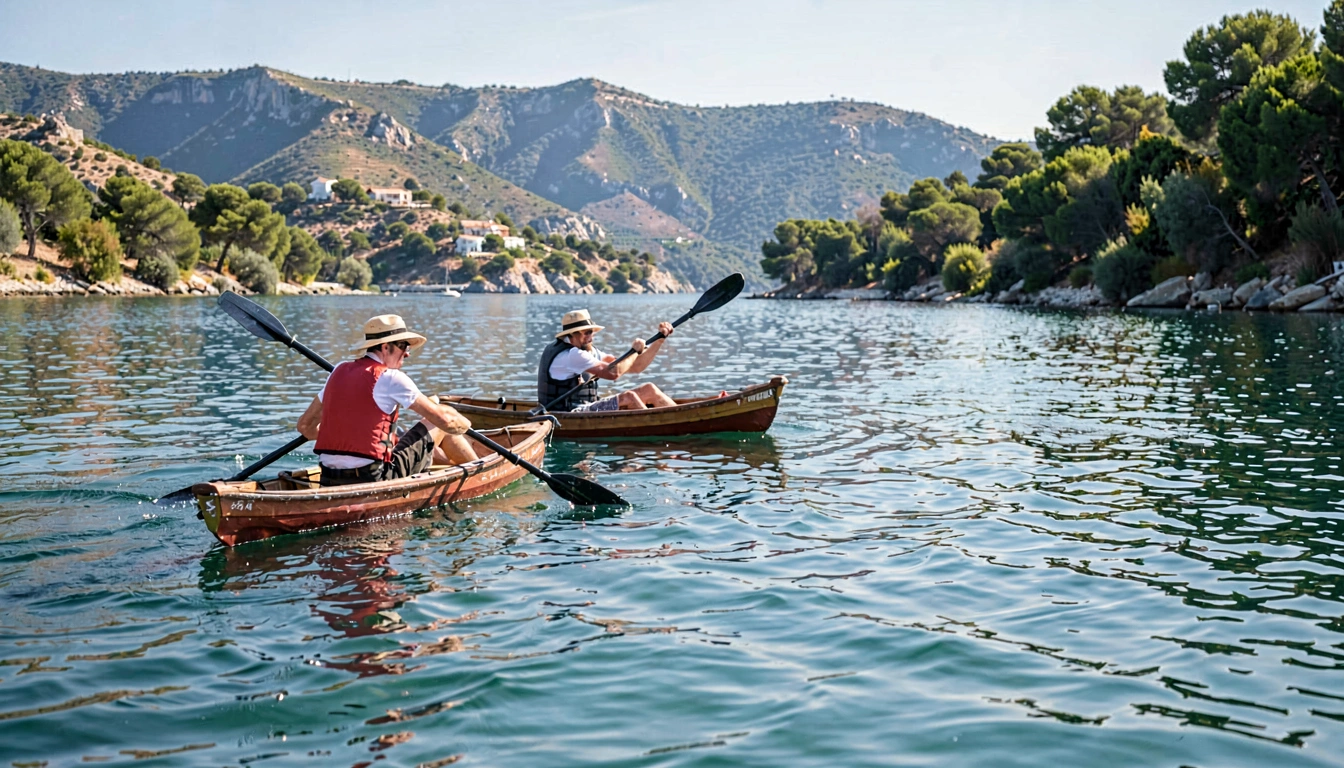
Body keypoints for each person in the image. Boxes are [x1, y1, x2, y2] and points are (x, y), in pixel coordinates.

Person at [297, 314, 478, 487]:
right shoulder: (391, 377)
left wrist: (346, 438)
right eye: (403, 346)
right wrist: (466, 421)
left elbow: (304, 427)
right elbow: (445, 421)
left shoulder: (337, 371)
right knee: (438, 423)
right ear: (385, 347)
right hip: (375, 477)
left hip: (328, 476)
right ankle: (481, 472)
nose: (406, 353)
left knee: (406, 437)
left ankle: (447, 463)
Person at [537, 308, 677, 413]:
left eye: (592, 331)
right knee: (629, 397)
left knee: (649, 389)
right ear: (572, 334)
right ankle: (659, 425)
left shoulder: (587, 350)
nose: (591, 337)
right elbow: (614, 373)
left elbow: (635, 366)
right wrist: (634, 351)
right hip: (567, 413)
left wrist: (659, 341)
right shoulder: (571, 355)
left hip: (587, 405)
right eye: (587, 332)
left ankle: (678, 418)